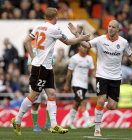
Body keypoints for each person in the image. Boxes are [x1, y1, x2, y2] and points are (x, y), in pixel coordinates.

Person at [11, 7, 90, 136]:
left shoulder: (38, 27)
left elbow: (26, 41)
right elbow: (68, 42)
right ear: (56, 16)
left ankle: (54, 125)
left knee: (52, 94)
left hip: (46, 66)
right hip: (41, 67)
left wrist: (32, 55)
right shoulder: (55, 29)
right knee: (34, 96)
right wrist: (80, 38)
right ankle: (17, 119)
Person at [68, 20, 132, 136]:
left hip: (116, 77)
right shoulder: (100, 39)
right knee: (101, 99)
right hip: (102, 75)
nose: (110, 28)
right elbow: (87, 45)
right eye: (109, 26)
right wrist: (77, 35)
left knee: (112, 106)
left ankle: (100, 107)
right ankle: (97, 129)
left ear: (118, 30)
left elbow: (130, 54)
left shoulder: (123, 42)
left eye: (113, 27)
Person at [64, 44, 95, 129]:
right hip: (76, 83)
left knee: (77, 103)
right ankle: (88, 122)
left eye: (86, 47)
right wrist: (67, 84)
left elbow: (92, 72)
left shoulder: (90, 58)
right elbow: (69, 73)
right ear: (79, 47)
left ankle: (69, 122)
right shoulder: (74, 58)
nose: (85, 48)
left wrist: (99, 78)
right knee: (83, 102)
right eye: (83, 47)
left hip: (84, 84)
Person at [27, 47, 52, 132]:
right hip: (36, 80)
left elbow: (52, 67)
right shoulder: (33, 50)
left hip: (47, 80)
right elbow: (30, 68)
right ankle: (36, 125)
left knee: (50, 100)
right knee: (35, 104)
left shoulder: (49, 50)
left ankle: (47, 124)